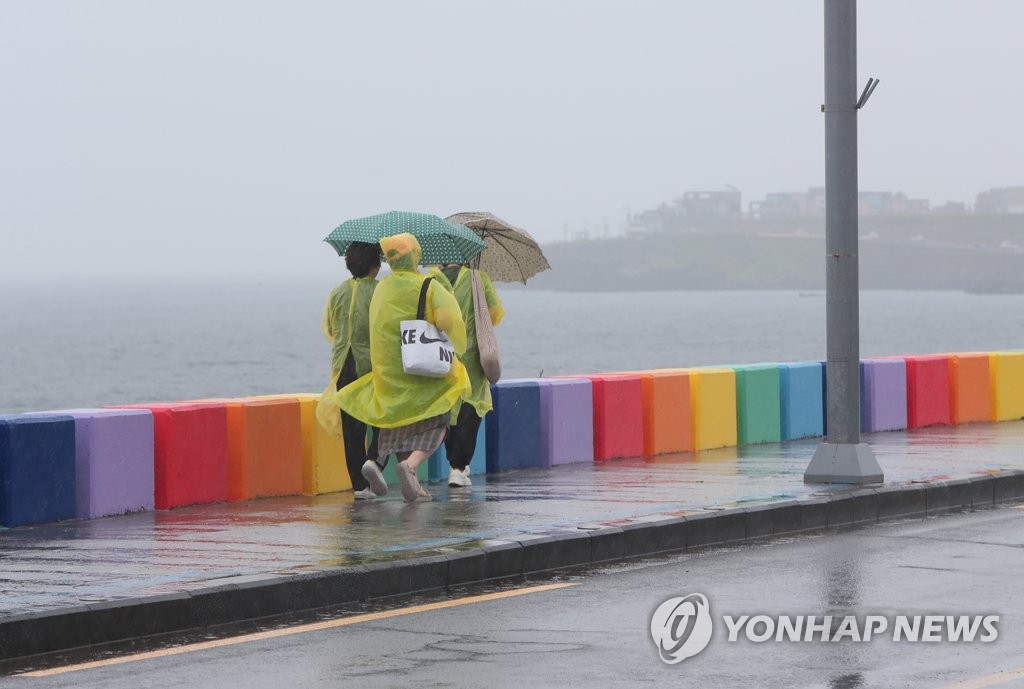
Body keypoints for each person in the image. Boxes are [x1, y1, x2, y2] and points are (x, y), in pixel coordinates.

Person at [335, 233, 470, 503]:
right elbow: (447, 320)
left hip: (387, 372)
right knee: (439, 420)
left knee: (394, 422)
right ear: (415, 255)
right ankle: (411, 465)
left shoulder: (382, 287)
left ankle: (377, 463)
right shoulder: (428, 284)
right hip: (419, 368)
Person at [322, 241, 382, 500]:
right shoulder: (380, 291)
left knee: (352, 430)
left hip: (343, 365)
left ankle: (360, 486)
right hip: (372, 365)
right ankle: (376, 461)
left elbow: (330, 327)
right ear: (375, 266)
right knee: (383, 419)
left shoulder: (337, 292)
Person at [437, 263, 504, 487]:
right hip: (472, 356)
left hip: (442, 356)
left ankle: (456, 465)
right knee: (470, 408)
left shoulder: (434, 279)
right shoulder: (477, 278)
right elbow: (493, 314)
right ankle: (458, 467)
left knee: (448, 409)